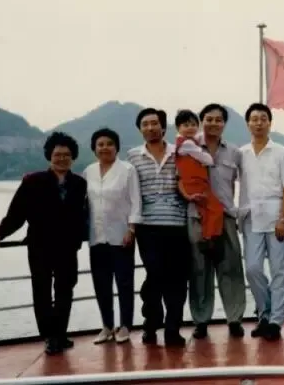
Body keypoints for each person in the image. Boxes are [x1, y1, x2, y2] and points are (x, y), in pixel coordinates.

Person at [0, 132, 88, 355]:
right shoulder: (33, 181)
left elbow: (83, 215)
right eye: (57, 154)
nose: (62, 159)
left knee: (65, 290)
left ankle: (60, 334)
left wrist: (81, 237)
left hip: (68, 247)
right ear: (49, 156)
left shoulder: (79, 184)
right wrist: (0, 235)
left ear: (73, 157)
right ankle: (49, 337)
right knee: (41, 291)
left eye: (67, 155)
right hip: (40, 245)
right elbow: (16, 212)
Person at [126, 108, 191, 347]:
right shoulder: (133, 157)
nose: (150, 128)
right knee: (155, 275)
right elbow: (129, 194)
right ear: (140, 129)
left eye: (154, 123)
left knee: (178, 279)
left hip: (178, 225)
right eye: (145, 124)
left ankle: (173, 329)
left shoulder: (180, 152)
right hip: (148, 226)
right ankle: (151, 323)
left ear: (163, 127)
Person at [187, 103, 246, 339]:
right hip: (197, 216)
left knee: (231, 268)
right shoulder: (188, 148)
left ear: (224, 124)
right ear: (201, 121)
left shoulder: (234, 152)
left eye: (218, 120)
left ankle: (234, 318)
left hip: (226, 217)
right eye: (209, 119)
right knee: (199, 269)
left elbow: (245, 183)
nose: (213, 123)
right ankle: (201, 320)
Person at [239, 102, 284, 341]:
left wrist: (283, 218)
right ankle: (265, 311)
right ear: (248, 123)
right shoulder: (241, 153)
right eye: (254, 119)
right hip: (251, 215)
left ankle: (275, 321)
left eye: (263, 119)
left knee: (280, 269)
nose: (259, 123)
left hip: (276, 216)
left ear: (270, 123)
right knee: (252, 268)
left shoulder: (282, 152)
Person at [83, 128, 141, 345]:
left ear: (116, 147)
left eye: (109, 144)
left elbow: (136, 201)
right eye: (100, 144)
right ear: (94, 149)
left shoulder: (127, 170)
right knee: (101, 283)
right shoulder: (88, 171)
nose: (104, 148)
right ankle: (107, 326)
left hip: (122, 236)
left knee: (124, 283)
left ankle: (125, 326)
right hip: (97, 236)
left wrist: (131, 229)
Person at [174, 109, 225, 258]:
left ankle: (207, 238)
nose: (190, 128)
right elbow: (208, 160)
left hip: (192, 184)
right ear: (178, 128)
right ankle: (210, 237)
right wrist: (206, 157)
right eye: (186, 125)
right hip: (195, 184)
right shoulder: (188, 143)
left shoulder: (182, 143)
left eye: (193, 125)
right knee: (216, 208)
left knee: (205, 211)